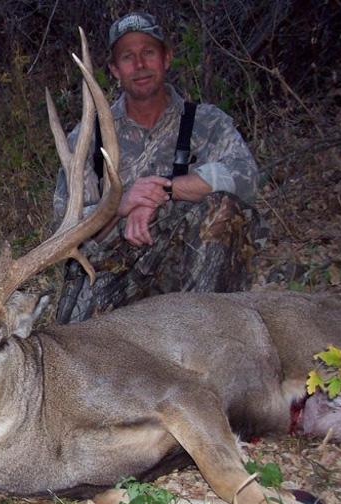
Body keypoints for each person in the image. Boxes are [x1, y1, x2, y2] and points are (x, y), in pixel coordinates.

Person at [54, 12, 267, 323]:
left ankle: (205, 331)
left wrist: (165, 190)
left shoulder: (206, 122)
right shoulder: (86, 137)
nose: (140, 64)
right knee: (79, 346)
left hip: (185, 276)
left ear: (167, 58)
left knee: (223, 208)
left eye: (148, 52)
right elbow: (62, 225)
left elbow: (246, 178)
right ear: (114, 70)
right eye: (128, 57)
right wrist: (117, 204)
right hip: (112, 275)